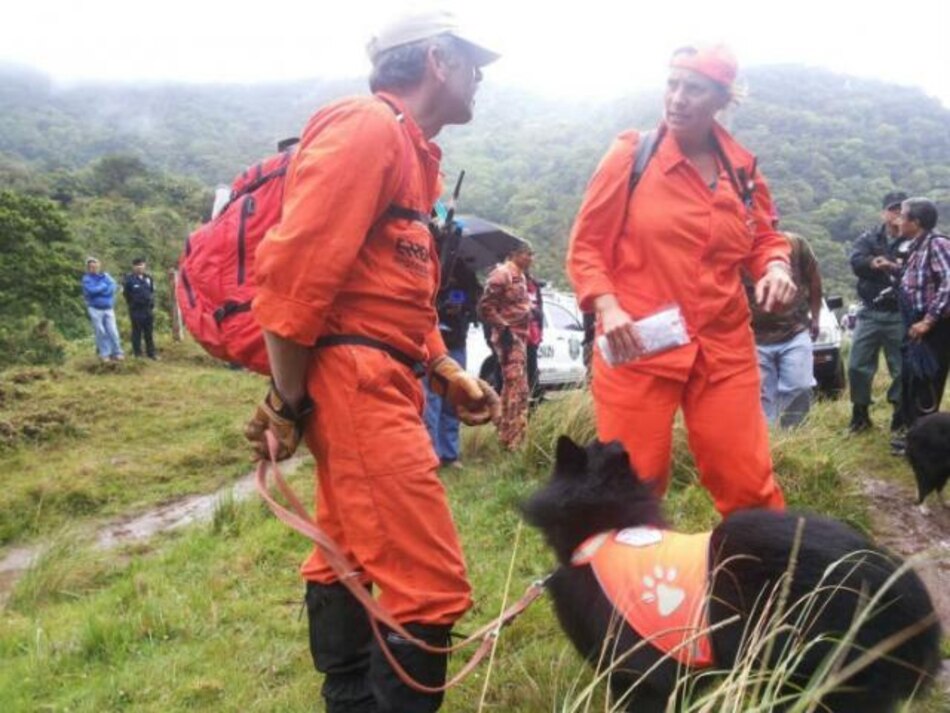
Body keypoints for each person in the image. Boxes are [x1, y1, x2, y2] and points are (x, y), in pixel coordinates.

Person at [243, 10, 500, 712]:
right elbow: (294, 273)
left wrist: (446, 372)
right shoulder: (366, 128)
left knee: (343, 553)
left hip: (382, 379)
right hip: (352, 385)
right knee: (431, 582)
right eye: (474, 62)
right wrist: (287, 402)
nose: (482, 77)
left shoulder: (414, 155)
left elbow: (397, 301)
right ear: (438, 61)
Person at [567, 44, 796, 517]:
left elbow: (764, 238)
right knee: (629, 489)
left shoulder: (743, 171)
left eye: (693, 89)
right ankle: (627, 588)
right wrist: (608, 307)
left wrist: (776, 267)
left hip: (723, 347)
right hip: (637, 344)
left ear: (722, 99)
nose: (677, 98)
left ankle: (765, 580)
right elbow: (588, 245)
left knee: (747, 482)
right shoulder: (632, 156)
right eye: (672, 85)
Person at [847, 191, 910, 433]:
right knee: (856, 365)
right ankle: (860, 414)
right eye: (892, 209)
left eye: (900, 210)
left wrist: (891, 265)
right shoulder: (869, 237)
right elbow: (856, 261)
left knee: (902, 367)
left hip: (900, 313)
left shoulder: (914, 239)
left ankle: (900, 415)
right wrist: (873, 263)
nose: (896, 214)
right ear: (883, 212)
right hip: (870, 311)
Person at [892, 197, 950, 454]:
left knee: (928, 384)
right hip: (917, 324)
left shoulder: (937, 244)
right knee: (914, 381)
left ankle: (925, 446)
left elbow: (949, 283)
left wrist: (928, 320)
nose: (897, 220)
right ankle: (915, 440)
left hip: (935, 328)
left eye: (902, 216)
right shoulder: (916, 247)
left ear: (915, 222)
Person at [750, 232, 822, 428]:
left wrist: (815, 317)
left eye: (773, 223)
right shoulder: (735, 247)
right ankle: (771, 445)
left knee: (800, 386)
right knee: (764, 395)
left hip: (794, 330)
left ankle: (794, 436)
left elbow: (814, 279)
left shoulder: (796, 244)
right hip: (754, 336)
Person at [424, 261, 480, 468]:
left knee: (454, 398)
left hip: (456, 341)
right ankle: (431, 454)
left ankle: (450, 454)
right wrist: (440, 305)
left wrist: (462, 307)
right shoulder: (427, 267)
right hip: (431, 344)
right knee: (431, 400)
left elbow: (476, 304)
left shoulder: (466, 274)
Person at [478, 243, 534, 450]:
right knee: (515, 387)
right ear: (514, 254)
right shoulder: (502, 274)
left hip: (521, 337)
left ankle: (511, 436)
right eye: (527, 254)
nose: (531, 258)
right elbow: (485, 307)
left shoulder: (520, 275)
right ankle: (511, 439)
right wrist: (504, 328)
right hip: (509, 339)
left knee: (518, 388)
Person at [81, 257, 124, 362]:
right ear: (88, 268)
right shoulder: (86, 279)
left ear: (99, 266)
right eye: (91, 266)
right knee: (101, 331)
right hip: (95, 309)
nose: (93, 268)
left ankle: (117, 352)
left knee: (113, 331)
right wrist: (104, 287)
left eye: (95, 266)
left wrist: (101, 289)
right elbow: (91, 291)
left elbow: (112, 288)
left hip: (108, 308)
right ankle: (105, 354)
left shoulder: (106, 276)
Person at [123, 257, 157, 359]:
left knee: (149, 332)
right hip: (136, 310)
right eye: (137, 265)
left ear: (145, 266)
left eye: (142, 265)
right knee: (136, 333)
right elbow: (126, 295)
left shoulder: (148, 278)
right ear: (133, 267)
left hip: (148, 310)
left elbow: (151, 292)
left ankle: (151, 353)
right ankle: (137, 354)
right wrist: (133, 304)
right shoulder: (129, 280)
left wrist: (151, 305)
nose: (140, 267)